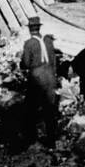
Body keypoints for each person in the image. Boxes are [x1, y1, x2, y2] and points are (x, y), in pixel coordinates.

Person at [20, 16, 58, 146]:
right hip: (50, 75)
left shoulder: (29, 43)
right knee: (50, 108)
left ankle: (30, 138)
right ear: (39, 28)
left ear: (30, 29)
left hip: (37, 76)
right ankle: (52, 139)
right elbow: (53, 60)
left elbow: (25, 63)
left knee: (30, 108)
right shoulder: (48, 41)